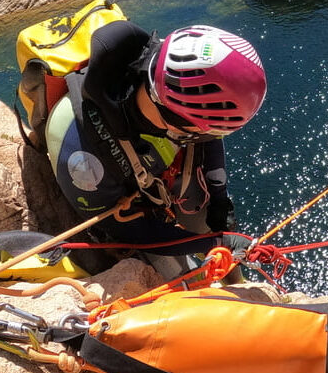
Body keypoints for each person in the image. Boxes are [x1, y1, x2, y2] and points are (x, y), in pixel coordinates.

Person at [44, 21, 267, 278]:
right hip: (121, 200)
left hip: (152, 158)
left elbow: (206, 138)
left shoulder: (171, 80)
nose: (209, 137)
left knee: (207, 219)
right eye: (202, 130)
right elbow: (126, 230)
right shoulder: (78, 149)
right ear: (175, 121)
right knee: (176, 274)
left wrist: (219, 201)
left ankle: (235, 282)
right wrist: (214, 244)